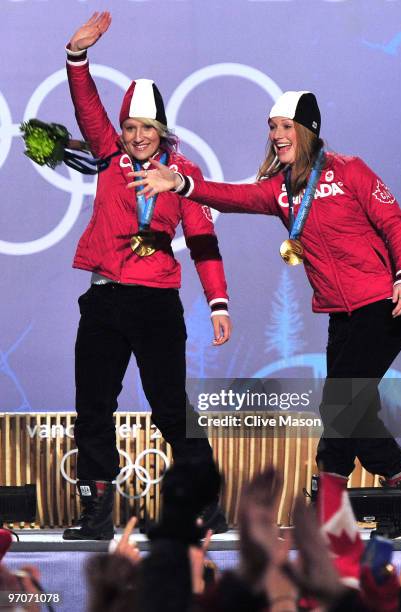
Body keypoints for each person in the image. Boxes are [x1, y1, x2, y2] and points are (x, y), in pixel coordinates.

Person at [134, 90, 401, 537]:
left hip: (384, 305)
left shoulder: (350, 170)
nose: (276, 135)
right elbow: (233, 196)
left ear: (307, 130)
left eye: (286, 127)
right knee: (349, 407)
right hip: (341, 314)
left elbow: (395, 223)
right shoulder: (281, 189)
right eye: (272, 127)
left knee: (341, 404)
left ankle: (350, 502)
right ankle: (397, 492)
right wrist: (182, 185)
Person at [62, 12, 231, 540]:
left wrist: (219, 304)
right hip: (105, 300)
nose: (136, 137)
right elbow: (86, 104)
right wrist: (77, 57)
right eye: (130, 128)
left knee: (168, 406)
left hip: (157, 302)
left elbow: (203, 241)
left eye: (146, 129)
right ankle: (97, 512)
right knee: (92, 405)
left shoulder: (181, 177)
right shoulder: (108, 154)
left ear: (162, 132)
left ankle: (207, 506)